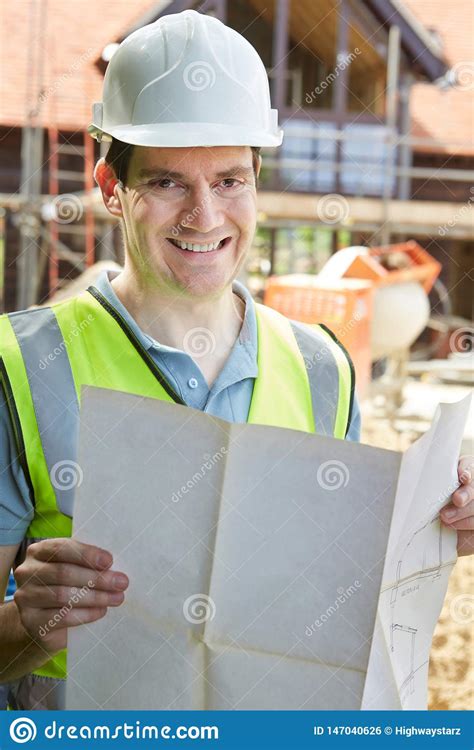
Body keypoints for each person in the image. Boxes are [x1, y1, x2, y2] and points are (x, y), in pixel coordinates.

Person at [0, 9, 472, 711]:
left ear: (256, 179)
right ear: (108, 188)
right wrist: (32, 625)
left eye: (228, 180)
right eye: (166, 183)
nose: (205, 215)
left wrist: (436, 537)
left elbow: (331, 604)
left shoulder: (322, 370)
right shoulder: (19, 366)